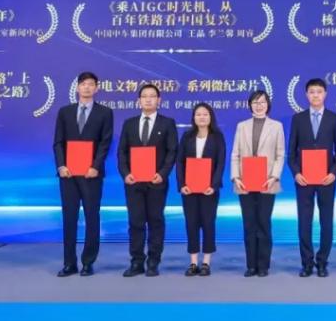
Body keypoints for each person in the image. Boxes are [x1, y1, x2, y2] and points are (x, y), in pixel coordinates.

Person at [52, 71, 114, 277]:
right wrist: (61, 166)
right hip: (68, 174)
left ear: (97, 88)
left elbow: (105, 143)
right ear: (77, 87)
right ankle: (69, 263)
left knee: (91, 217)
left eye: (91, 84)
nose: (87, 87)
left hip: (91, 174)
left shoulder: (105, 113)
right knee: (69, 218)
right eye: (83, 84)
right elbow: (58, 142)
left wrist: (95, 166)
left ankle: (88, 262)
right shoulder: (65, 112)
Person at [117, 83, 178, 277]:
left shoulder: (167, 123)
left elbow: (172, 152)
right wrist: (125, 173)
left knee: (155, 221)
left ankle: (153, 261)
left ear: (159, 100)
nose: (148, 99)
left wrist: (163, 173)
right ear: (139, 101)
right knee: (135, 222)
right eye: (144, 96)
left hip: (156, 181)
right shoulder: (129, 123)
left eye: (152, 96)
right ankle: (136, 261)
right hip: (133, 182)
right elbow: (122, 151)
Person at [287, 78, 336, 278]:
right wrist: (296, 173)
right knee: (304, 222)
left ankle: (322, 262)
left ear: (325, 94)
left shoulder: (334, 118)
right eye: (312, 92)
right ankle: (306, 263)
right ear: (306, 95)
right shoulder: (298, 119)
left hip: (326, 179)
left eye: (319, 91)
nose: (316, 95)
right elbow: (291, 153)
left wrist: (333, 173)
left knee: (326, 221)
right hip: (304, 180)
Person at [231, 90, 285, 277]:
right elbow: (235, 154)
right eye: (255, 102)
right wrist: (236, 177)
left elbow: (280, 154)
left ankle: (263, 265)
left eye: (262, 102)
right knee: (249, 224)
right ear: (250, 105)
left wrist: (274, 176)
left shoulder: (276, 126)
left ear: (268, 104)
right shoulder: (242, 126)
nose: (259, 105)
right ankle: (251, 265)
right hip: (245, 182)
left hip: (267, 182)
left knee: (263, 222)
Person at [176, 103, 226, 277]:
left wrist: (213, 185)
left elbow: (220, 163)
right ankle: (193, 262)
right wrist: (182, 184)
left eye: (205, 114)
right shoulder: (187, 136)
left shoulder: (217, 137)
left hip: (209, 190)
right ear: (194, 118)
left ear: (210, 117)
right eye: (198, 114)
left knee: (208, 223)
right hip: (189, 189)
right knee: (191, 224)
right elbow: (180, 161)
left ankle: (206, 262)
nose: (202, 117)